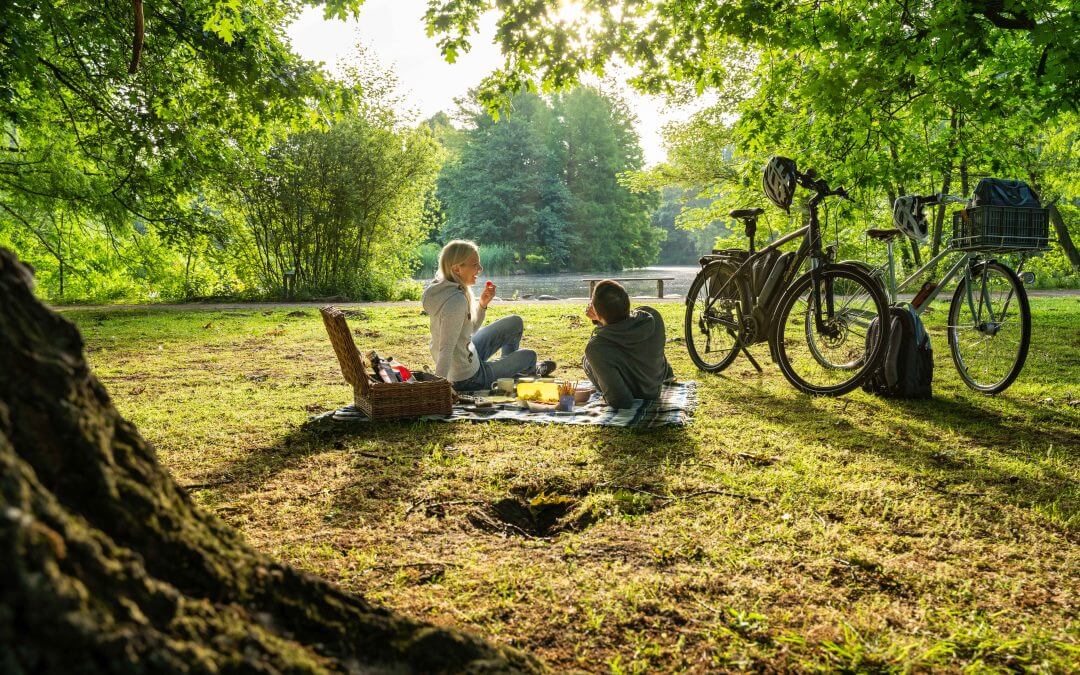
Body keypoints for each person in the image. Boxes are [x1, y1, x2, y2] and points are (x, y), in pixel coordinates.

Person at [422, 240, 555, 391]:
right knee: (530, 356)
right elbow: (445, 349)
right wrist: (438, 388)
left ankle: (509, 376)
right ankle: (520, 374)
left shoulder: (444, 287)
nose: (480, 269)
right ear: (457, 269)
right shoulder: (455, 301)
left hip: (467, 355)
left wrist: (482, 305)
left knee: (514, 323)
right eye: (475, 265)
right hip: (468, 378)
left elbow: (470, 329)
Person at [583, 279, 674, 409]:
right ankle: (668, 373)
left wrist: (600, 319)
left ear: (597, 312)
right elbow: (622, 327)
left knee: (587, 361)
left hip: (634, 394)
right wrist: (600, 319)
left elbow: (621, 401)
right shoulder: (653, 317)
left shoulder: (596, 347)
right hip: (654, 387)